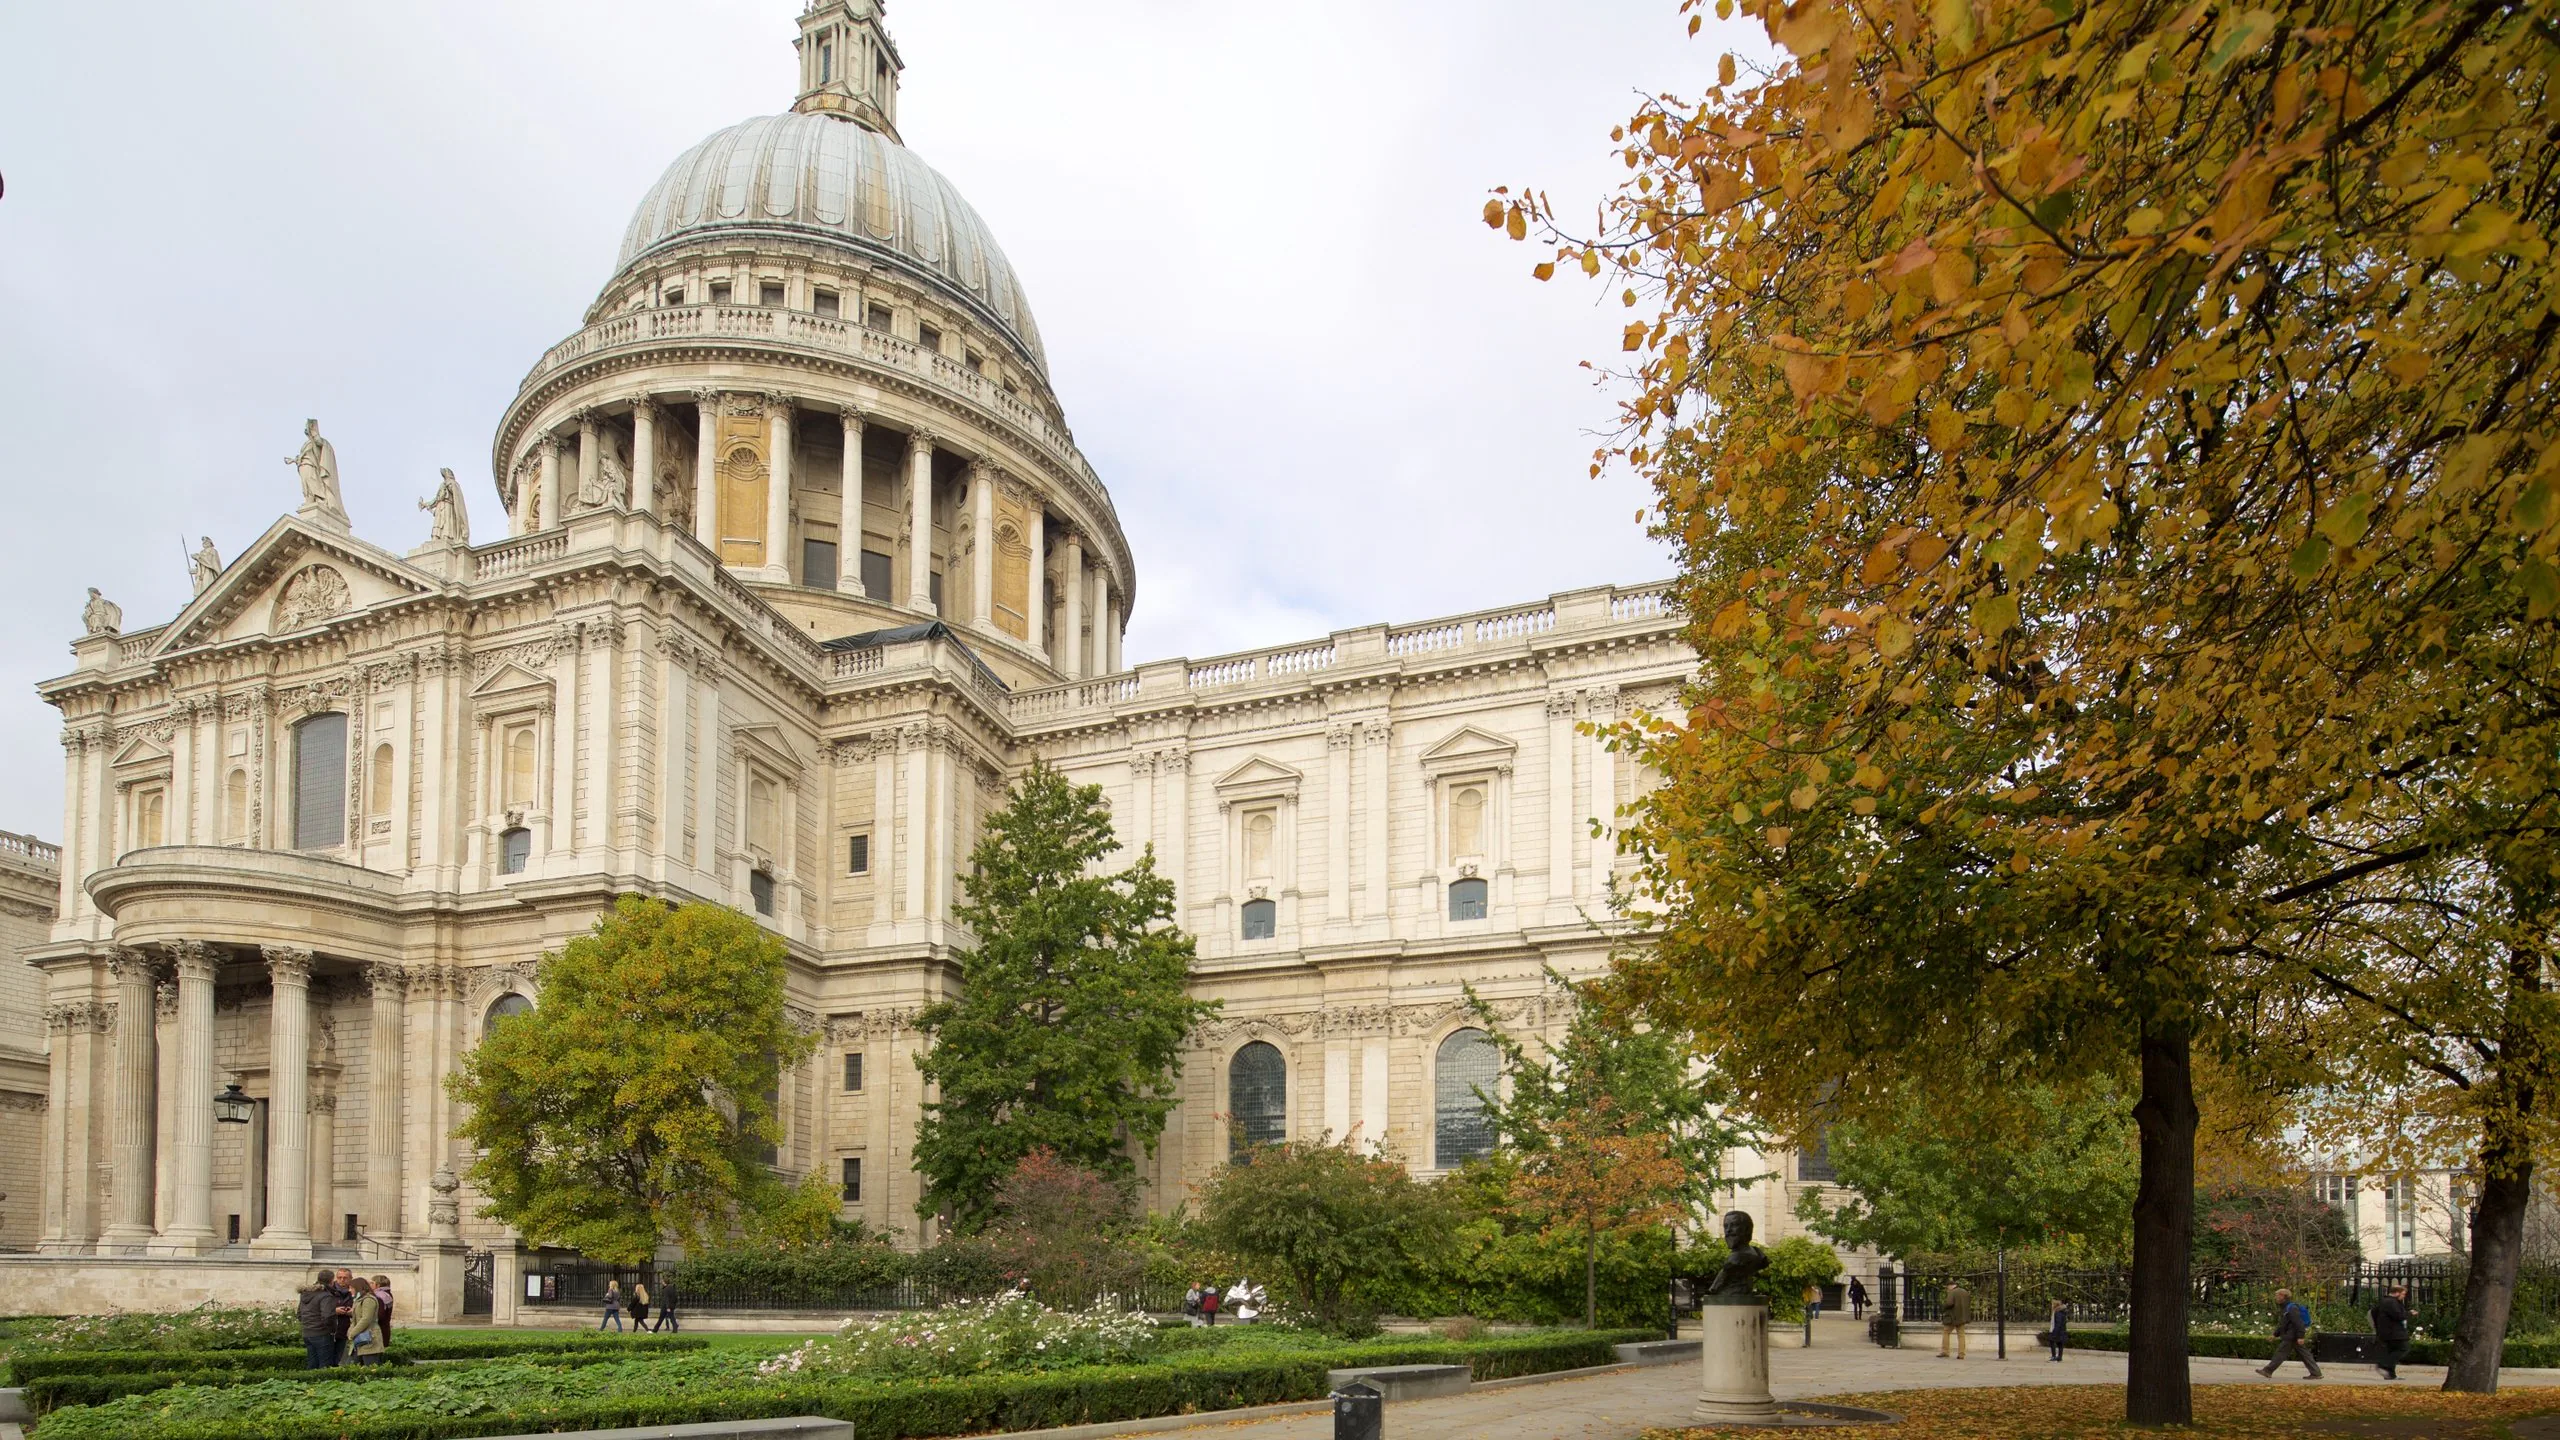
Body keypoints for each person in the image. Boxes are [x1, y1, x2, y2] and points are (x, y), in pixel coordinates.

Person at [2259, 1288, 2323, 1379]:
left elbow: (2298, 1323)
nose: (2275, 1298)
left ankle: (2267, 1371)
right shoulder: (2286, 1307)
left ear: (2282, 1296)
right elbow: (2284, 1324)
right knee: (2304, 1354)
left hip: (2291, 1335)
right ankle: (2316, 1373)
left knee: (2281, 1353)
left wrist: (2300, 1336)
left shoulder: (2292, 1308)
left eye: (2277, 1295)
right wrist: (2275, 1334)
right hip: (2292, 1335)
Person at [297, 1269, 340, 1370]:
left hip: (307, 1332)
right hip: (322, 1333)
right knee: (325, 1365)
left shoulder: (306, 1294)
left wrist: (308, 1325)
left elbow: (299, 1314)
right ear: (332, 1281)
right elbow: (328, 1316)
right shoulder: (326, 1296)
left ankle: (310, 1380)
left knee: (312, 1363)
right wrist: (333, 1330)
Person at [2369, 1285, 2411, 1381]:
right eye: (2403, 1294)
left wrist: (2379, 1325)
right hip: (2394, 1332)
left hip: (2387, 1331)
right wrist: (2409, 1314)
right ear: (2396, 1293)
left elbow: (2373, 1312)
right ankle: (2383, 1365)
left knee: (2392, 1351)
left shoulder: (2384, 1301)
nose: (2404, 1296)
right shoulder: (2391, 1302)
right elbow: (2399, 1316)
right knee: (2403, 1348)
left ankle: (2390, 1374)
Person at [345, 1278, 387, 1367]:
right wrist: (350, 1331)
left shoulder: (368, 1300)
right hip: (359, 1339)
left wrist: (352, 1333)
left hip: (369, 1338)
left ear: (358, 1287)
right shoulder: (358, 1300)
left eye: (351, 1288)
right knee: (351, 1366)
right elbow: (356, 1319)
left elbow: (366, 1319)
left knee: (370, 1367)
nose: (349, 1290)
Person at [329, 1269, 357, 1365]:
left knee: (341, 1358)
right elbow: (321, 1309)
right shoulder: (329, 1291)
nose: (342, 1280)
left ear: (351, 1278)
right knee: (328, 1357)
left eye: (345, 1278)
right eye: (339, 1277)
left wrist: (352, 1312)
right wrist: (334, 1311)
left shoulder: (355, 1292)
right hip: (330, 1328)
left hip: (346, 1328)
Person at [1938, 1280, 1971, 1359]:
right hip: (1962, 1316)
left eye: (1947, 1287)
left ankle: (1945, 1351)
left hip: (1952, 1317)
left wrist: (1943, 1307)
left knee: (1946, 1332)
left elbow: (1949, 1303)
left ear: (1950, 1286)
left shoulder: (1952, 1292)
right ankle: (1961, 1354)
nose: (1947, 1289)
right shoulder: (1965, 1292)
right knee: (1961, 1335)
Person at [371, 1275, 395, 1352]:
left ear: (378, 1285)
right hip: (385, 1327)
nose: (370, 1285)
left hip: (379, 1328)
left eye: (372, 1283)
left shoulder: (380, 1296)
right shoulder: (387, 1294)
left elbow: (380, 1315)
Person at [2046, 1298, 2070, 1362]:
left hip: (2057, 1330)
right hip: (2061, 1330)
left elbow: (2058, 1323)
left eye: (2052, 1304)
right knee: (2060, 1344)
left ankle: (2054, 1357)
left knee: (2052, 1341)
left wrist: (2054, 1332)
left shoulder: (2058, 1312)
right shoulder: (2060, 1311)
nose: (2051, 1305)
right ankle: (2059, 1357)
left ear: (2055, 1304)